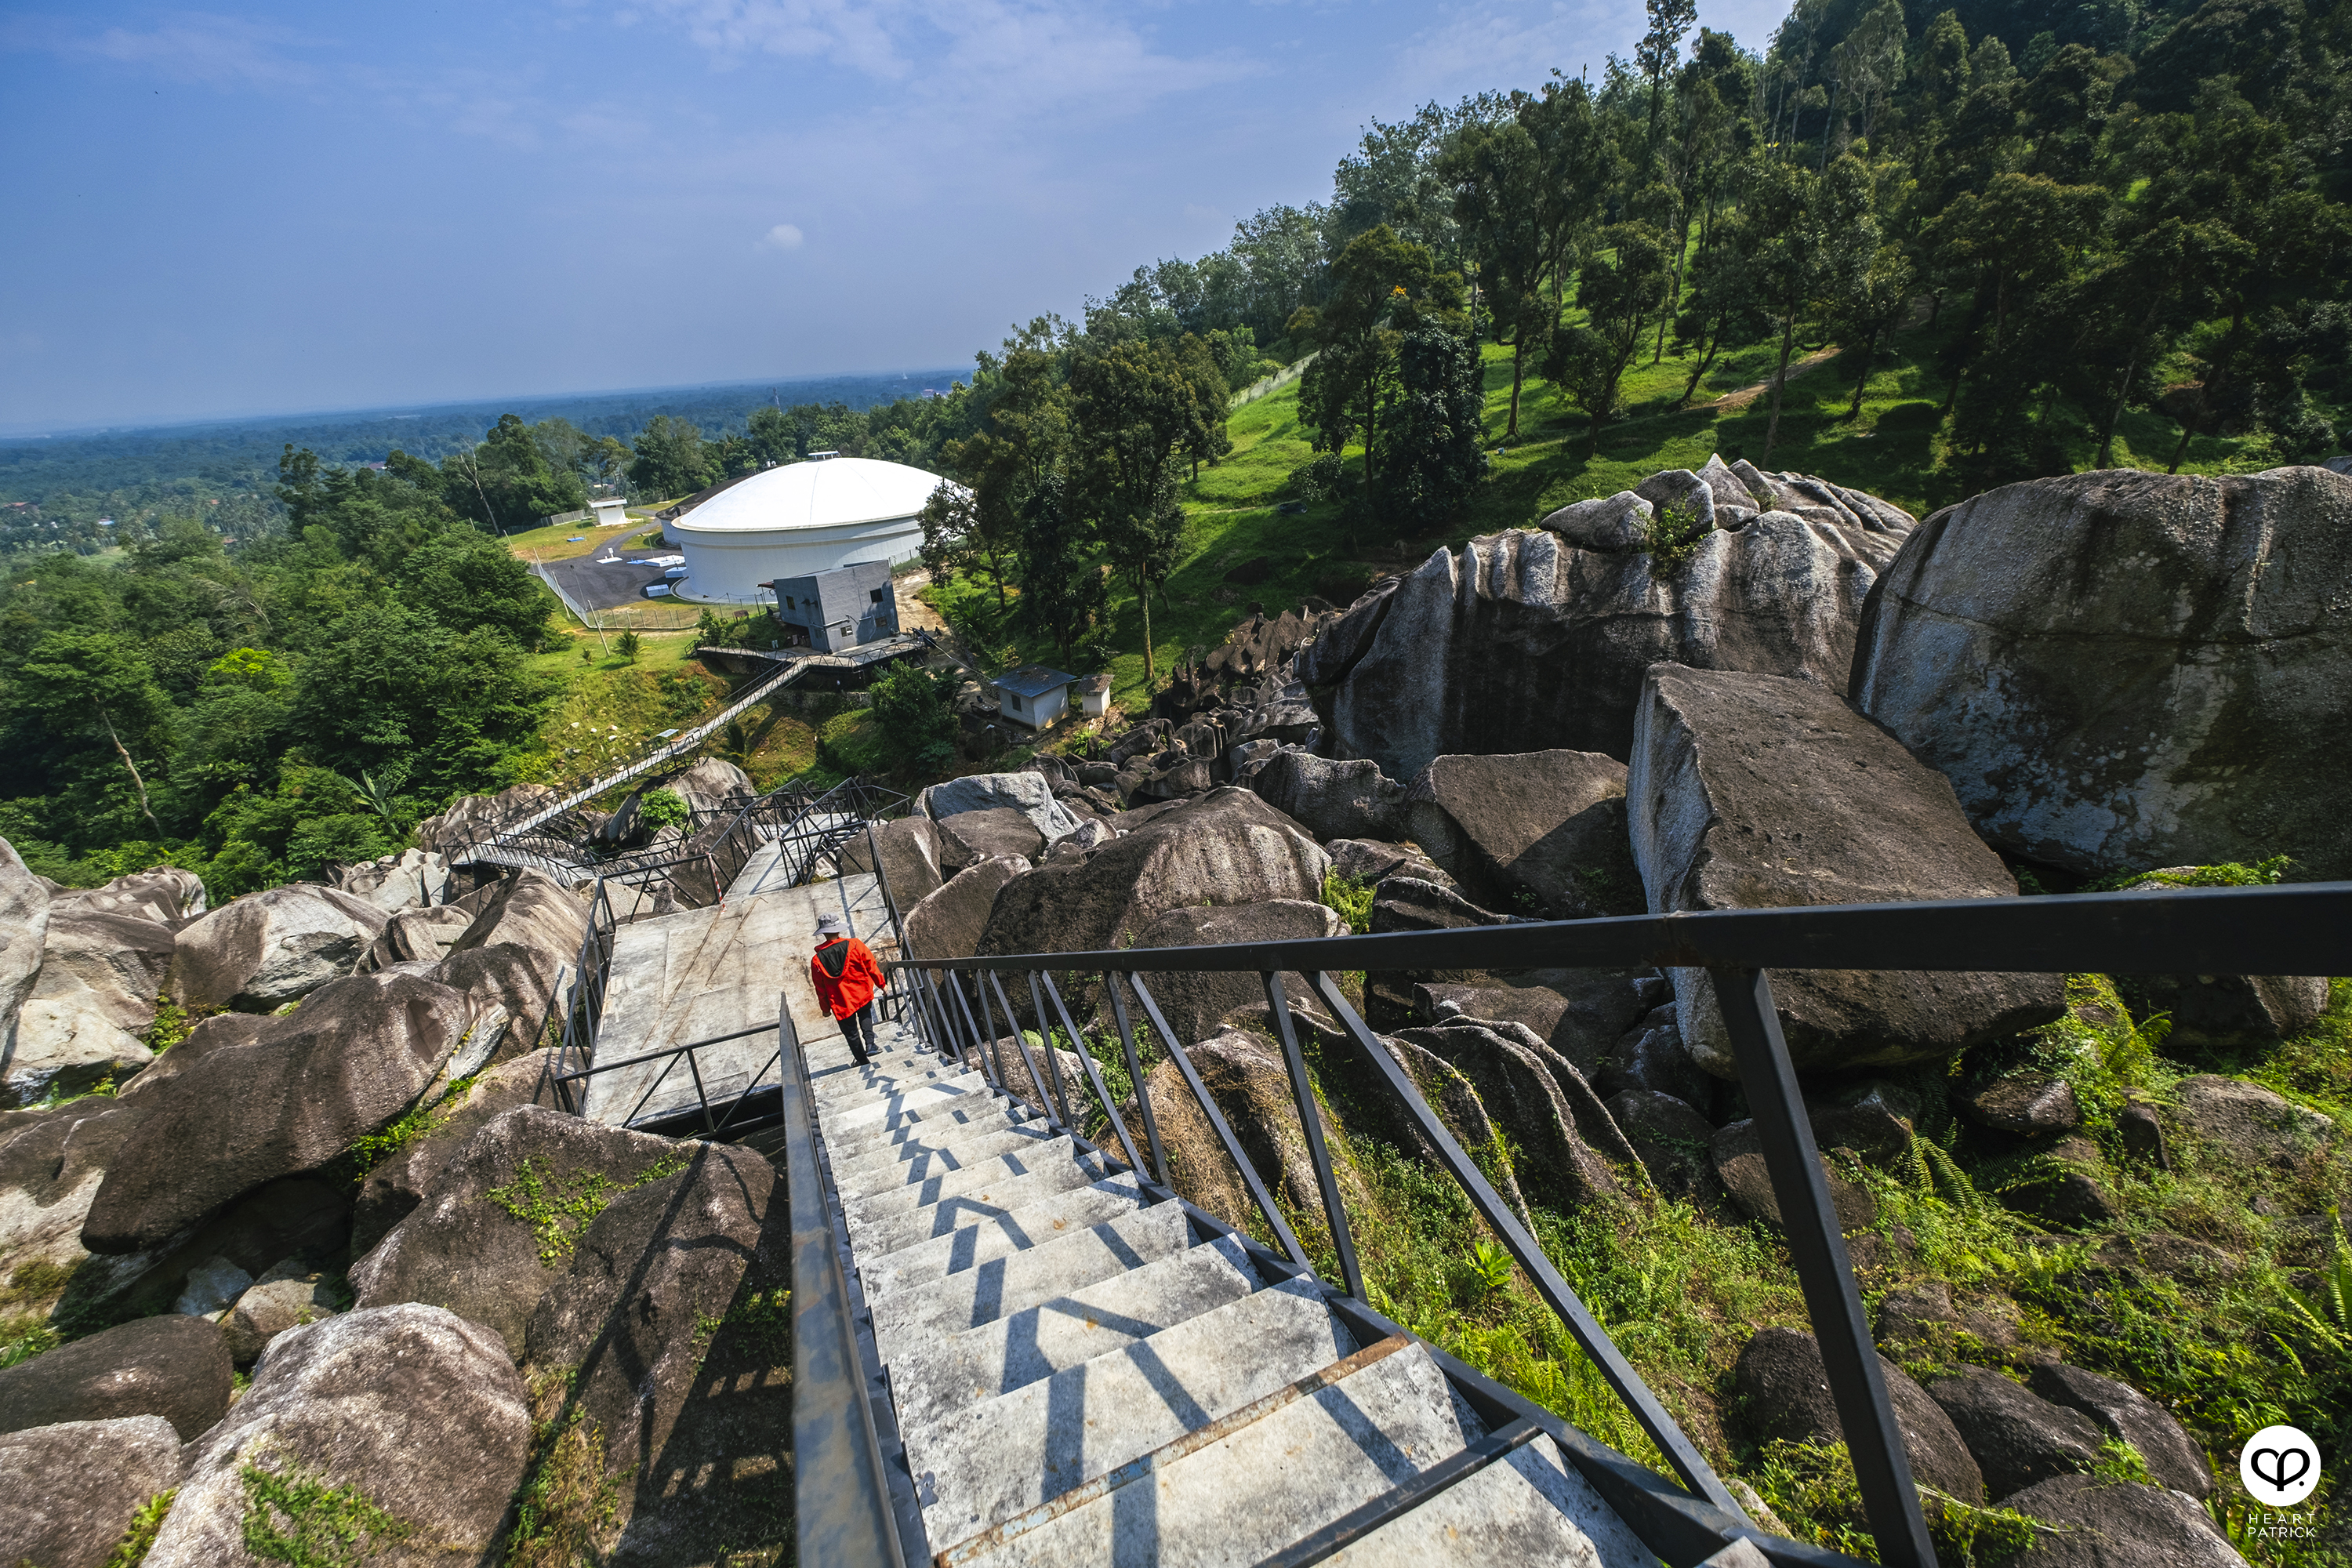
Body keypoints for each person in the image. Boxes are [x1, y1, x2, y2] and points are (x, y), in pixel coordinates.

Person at [810, 912, 886, 1065]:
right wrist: (881, 984)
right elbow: (871, 965)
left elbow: (820, 988)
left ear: (823, 933)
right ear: (838, 930)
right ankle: (870, 1044)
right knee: (865, 1013)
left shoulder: (817, 960)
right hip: (861, 992)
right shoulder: (855, 945)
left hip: (841, 1001)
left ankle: (862, 1061)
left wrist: (825, 1009)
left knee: (851, 1032)